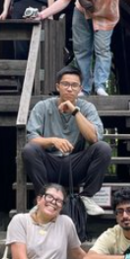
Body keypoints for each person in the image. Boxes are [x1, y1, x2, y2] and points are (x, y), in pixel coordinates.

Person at [23, 65, 112, 206]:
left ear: (80, 89)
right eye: (65, 84)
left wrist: (75, 111)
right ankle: (43, 198)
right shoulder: (42, 107)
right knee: (29, 150)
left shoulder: (87, 108)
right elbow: (31, 138)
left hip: (76, 164)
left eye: (74, 85)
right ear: (58, 87)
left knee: (103, 148)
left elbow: (94, 138)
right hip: (50, 163)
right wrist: (53, 141)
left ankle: (86, 198)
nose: (70, 88)